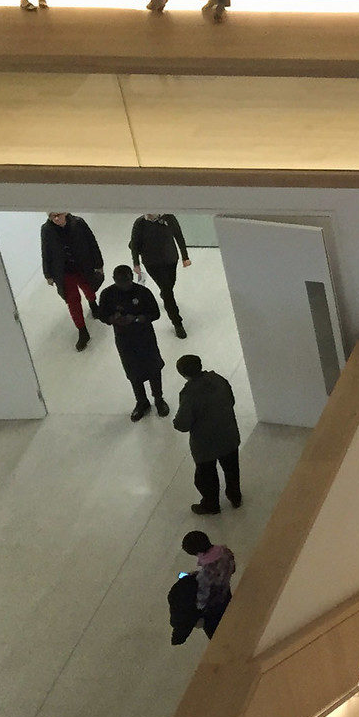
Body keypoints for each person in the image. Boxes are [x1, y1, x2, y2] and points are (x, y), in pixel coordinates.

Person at [95, 265, 167, 421]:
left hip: (145, 336)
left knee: (153, 368)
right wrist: (112, 319)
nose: (124, 285)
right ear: (114, 280)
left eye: (127, 281)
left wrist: (136, 318)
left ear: (132, 279)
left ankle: (159, 398)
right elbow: (102, 315)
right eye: (120, 281)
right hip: (124, 338)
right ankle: (141, 401)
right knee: (132, 370)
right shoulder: (107, 294)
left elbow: (155, 313)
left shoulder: (142, 293)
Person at [173, 354, 242, 514]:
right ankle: (235, 497)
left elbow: (183, 424)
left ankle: (211, 504)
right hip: (229, 435)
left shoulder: (189, 395)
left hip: (205, 445)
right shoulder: (218, 379)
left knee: (206, 477)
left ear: (184, 374)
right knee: (232, 470)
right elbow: (231, 401)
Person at [40, 211, 104, 351]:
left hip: (83, 266)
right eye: (52, 216)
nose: (56, 219)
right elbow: (46, 252)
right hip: (63, 271)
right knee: (72, 300)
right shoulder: (46, 230)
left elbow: (92, 243)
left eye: (58, 215)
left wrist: (98, 264)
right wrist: (48, 274)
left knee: (88, 288)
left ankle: (93, 305)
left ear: (66, 212)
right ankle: (82, 331)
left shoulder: (78, 223)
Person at [128, 212, 190, 338]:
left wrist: (185, 257)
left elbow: (178, 236)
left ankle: (165, 294)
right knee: (167, 291)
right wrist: (136, 263)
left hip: (170, 259)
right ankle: (177, 322)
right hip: (152, 263)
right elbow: (134, 244)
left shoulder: (169, 218)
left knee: (169, 285)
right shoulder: (140, 223)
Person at [181, 529, 236, 636]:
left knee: (215, 631)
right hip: (226, 592)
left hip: (212, 607)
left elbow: (202, 598)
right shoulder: (225, 551)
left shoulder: (205, 575)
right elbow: (232, 569)